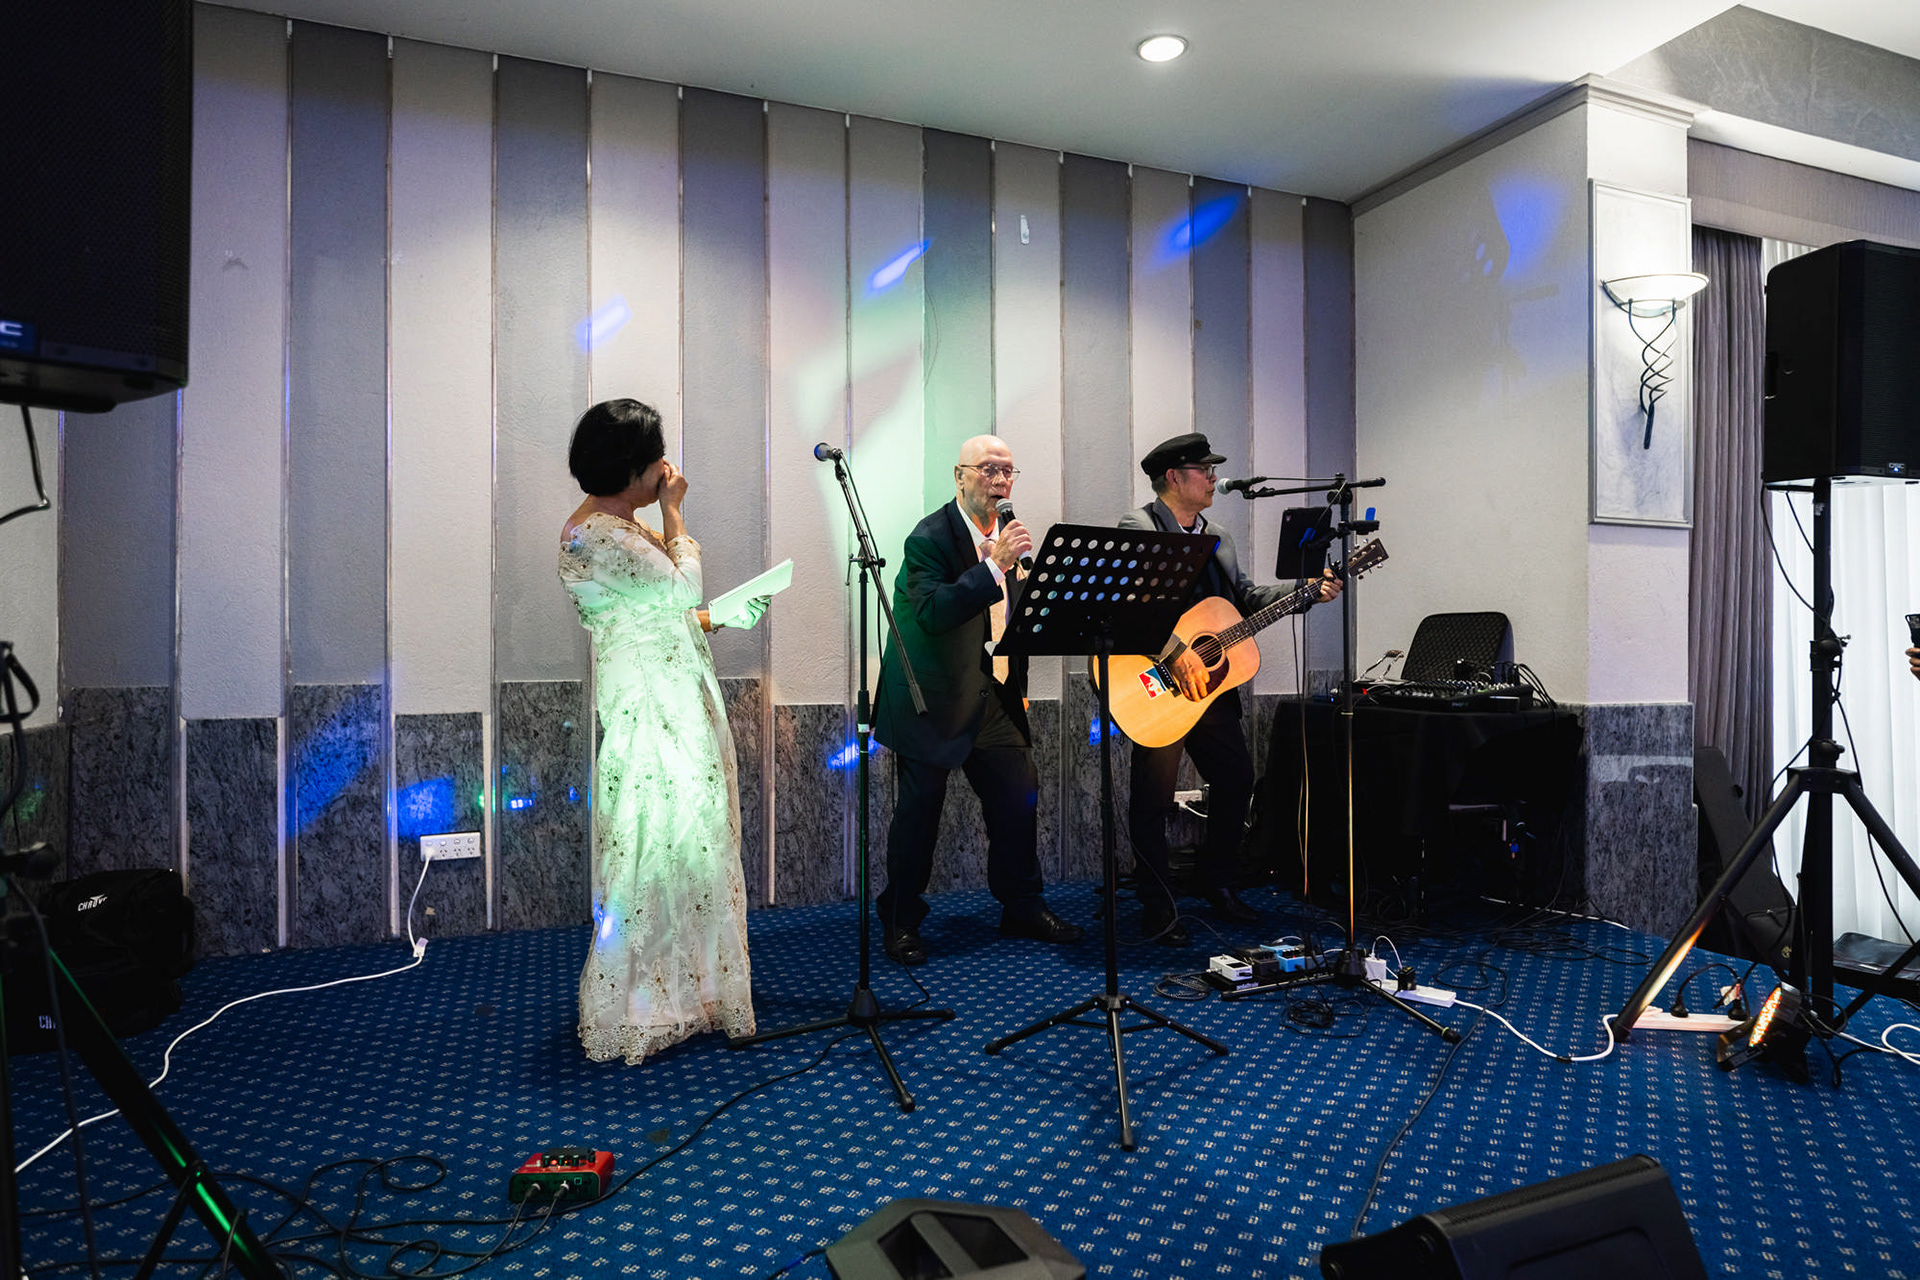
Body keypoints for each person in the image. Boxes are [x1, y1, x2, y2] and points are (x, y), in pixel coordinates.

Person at [558, 398, 764, 1064]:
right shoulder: (595, 534)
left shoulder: (619, 527)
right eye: (656, 460)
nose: (666, 469)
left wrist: (722, 616)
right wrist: (676, 513)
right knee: (653, 844)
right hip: (651, 705)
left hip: (668, 689)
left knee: (690, 845)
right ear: (631, 469)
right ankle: (643, 1002)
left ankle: (691, 990)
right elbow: (677, 593)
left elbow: (663, 609)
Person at [1119, 432, 1341, 945]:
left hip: (1212, 689)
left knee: (1237, 780)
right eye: (1205, 470)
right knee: (1153, 797)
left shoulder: (1218, 535)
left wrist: (1305, 592)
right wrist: (1176, 650)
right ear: (1174, 477)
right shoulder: (1140, 525)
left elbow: (1242, 598)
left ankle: (1217, 881)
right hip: (1156, 680)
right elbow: (1135, 604)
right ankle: (1157, 903)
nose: (1215, 477)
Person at [871, 434, 1084, 965]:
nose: (1000, 480)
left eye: (1008, 471)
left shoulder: (1013, 539)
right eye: (988, 469)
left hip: (995, 695)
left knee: (1018, 798)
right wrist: (994, 567)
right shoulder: (928, 539)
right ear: (960, 476)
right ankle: (900, 918)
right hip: (932, 699)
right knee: (919, 814)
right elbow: (933, 612)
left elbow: (1018, 623)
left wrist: (1020, 690)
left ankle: (1022, 905)